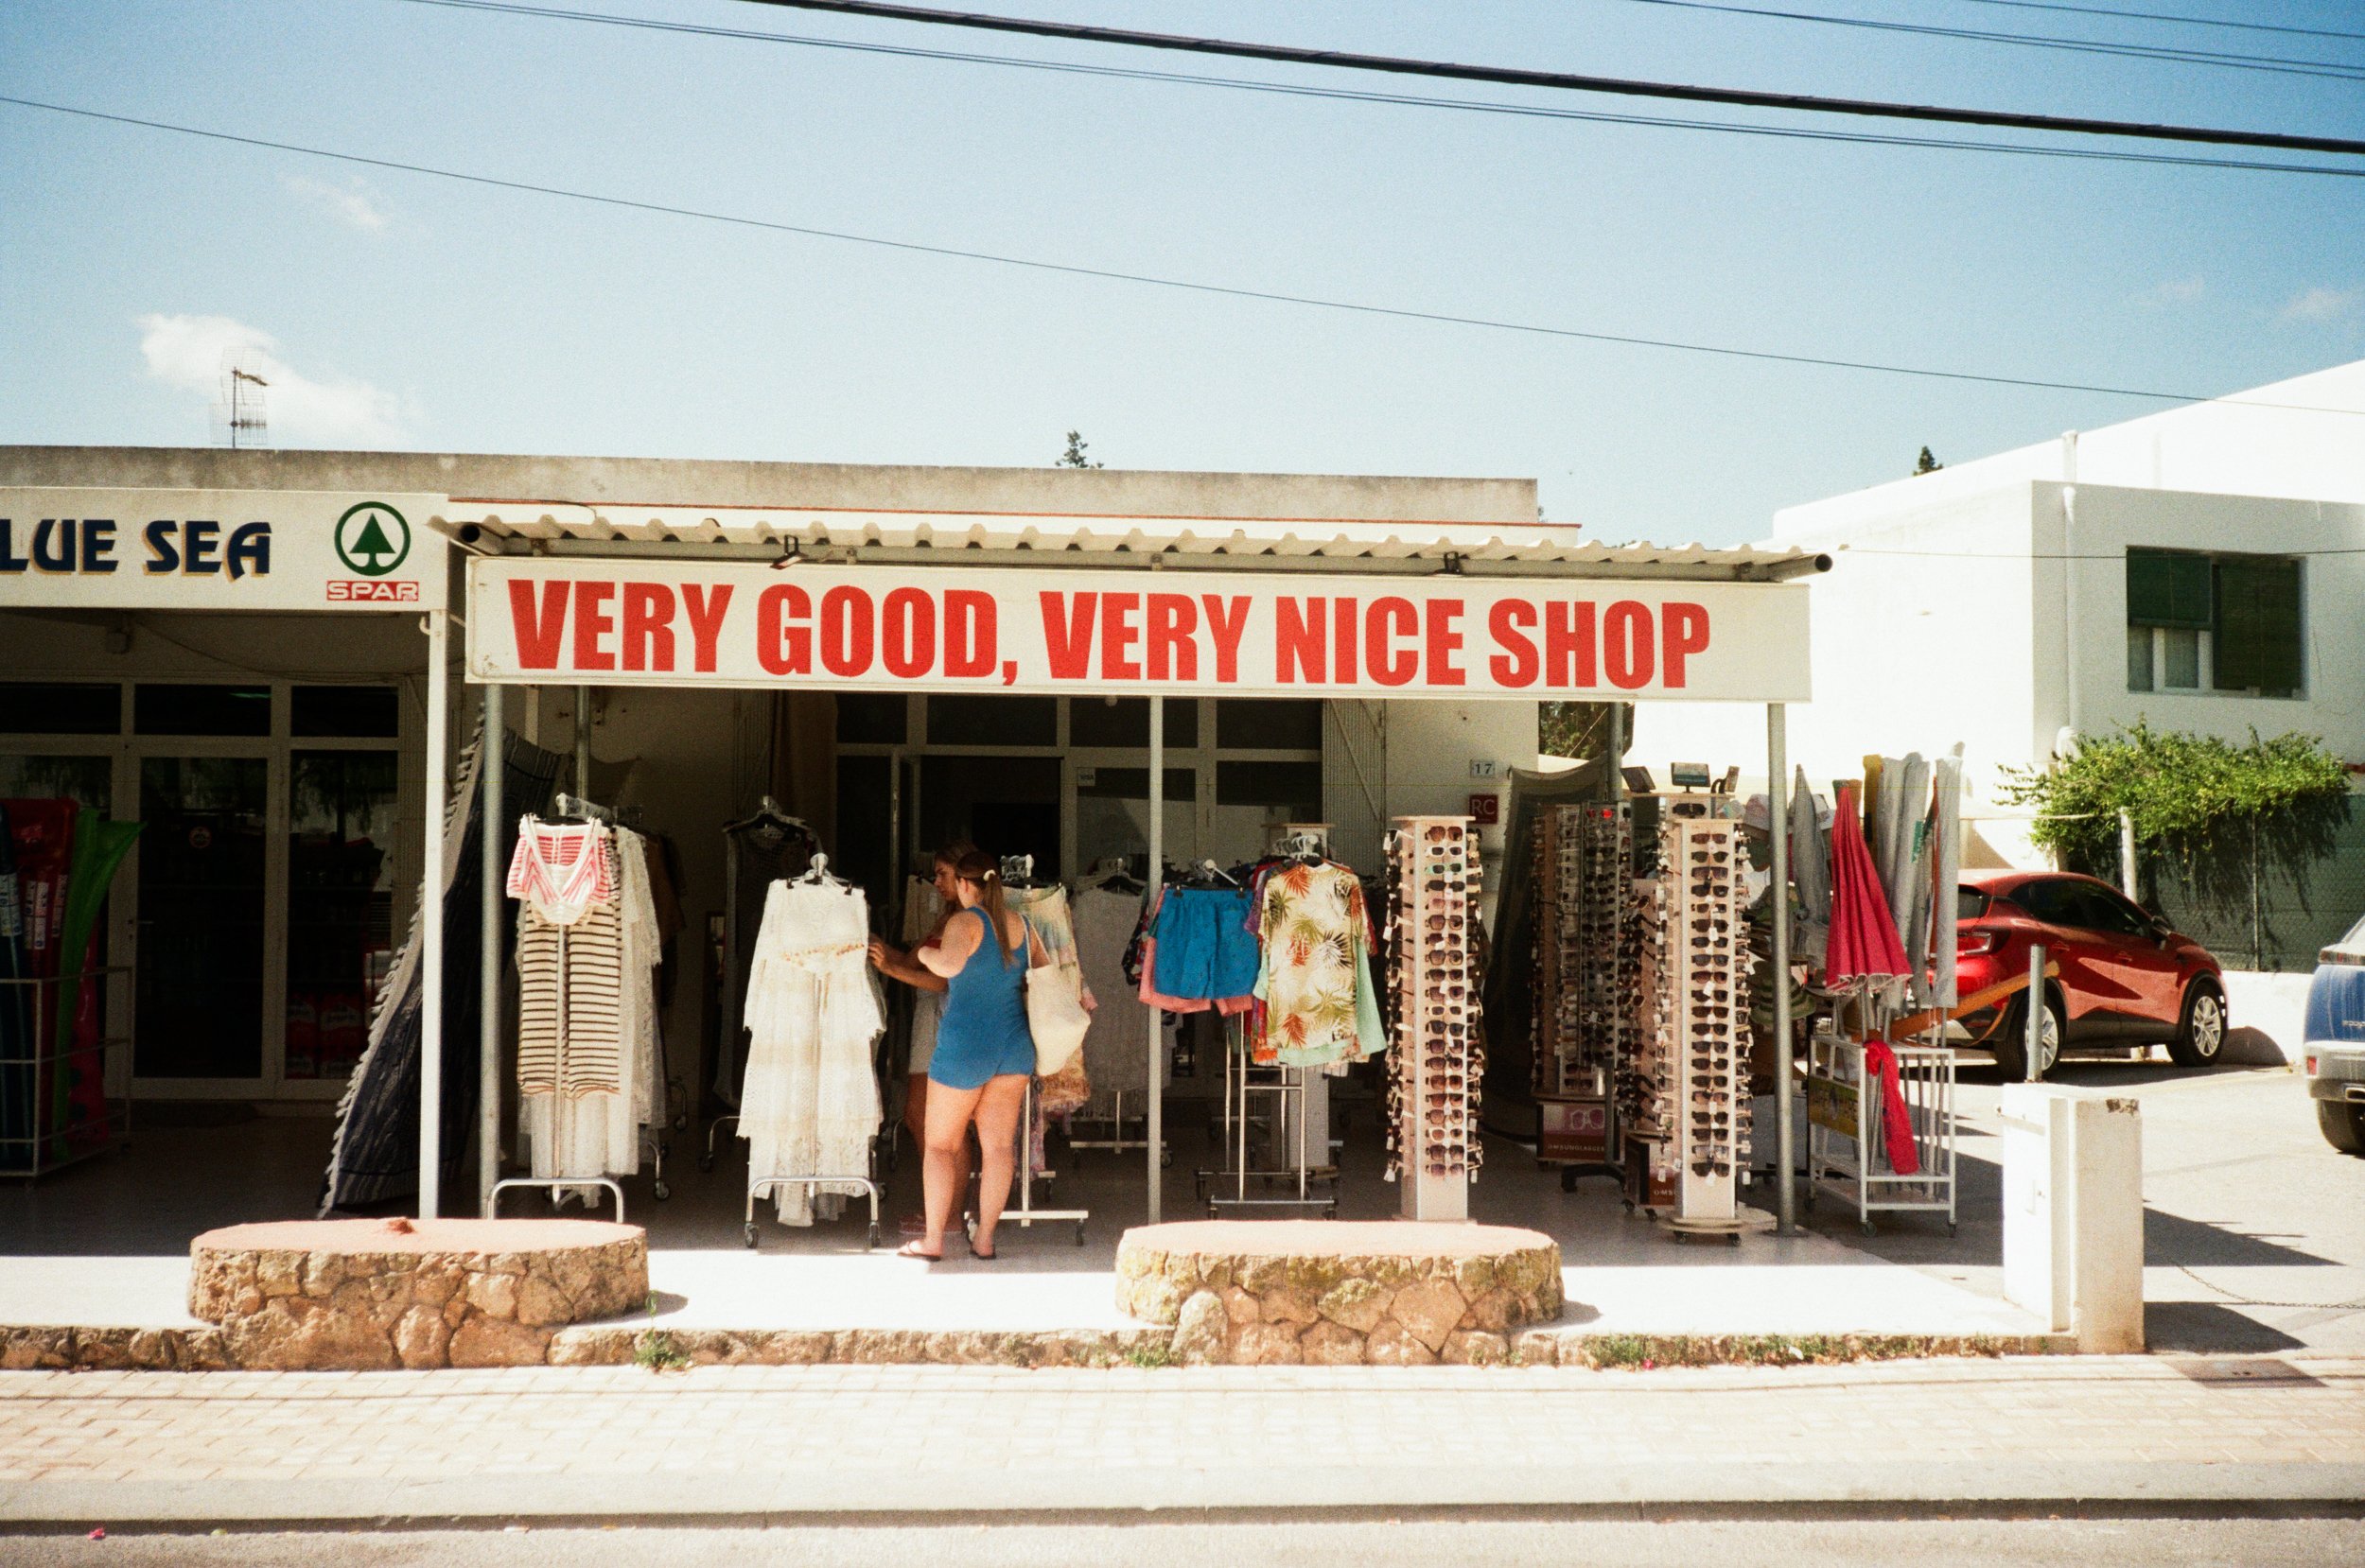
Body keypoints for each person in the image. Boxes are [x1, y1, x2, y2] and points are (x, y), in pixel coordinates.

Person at [894, 849, 1038, 1261]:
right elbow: (1045, 972)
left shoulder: (963, 921)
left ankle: (934, 1240)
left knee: (940, 1145)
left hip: (966, 1046)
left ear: (964, 883)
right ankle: (985, 1239)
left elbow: (949, 966)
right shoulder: (1023, 925)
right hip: (1013, 1048)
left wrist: (922, 952)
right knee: (998, 1149)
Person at [867, 840, 973, 1236]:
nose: (936, 881)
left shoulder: (963, 922)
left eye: (944, 874)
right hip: (927, 1019)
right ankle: (944, 1211)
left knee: (938, 1121)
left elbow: (942, 980)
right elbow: (906, 959)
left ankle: (948, 1214)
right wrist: (874, 947)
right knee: (921, 1116)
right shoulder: (944, 918)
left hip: (942, 1019)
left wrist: (892, 971)